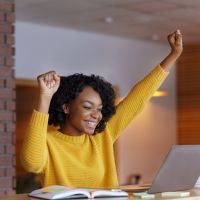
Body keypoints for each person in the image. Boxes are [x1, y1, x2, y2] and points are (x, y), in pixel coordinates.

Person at [21, 30, 183, 188]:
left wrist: (173, 55)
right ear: (66, 107)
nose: (96, 115)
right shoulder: (48, 142)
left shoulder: (102, 135)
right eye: (87, 107)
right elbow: (31, 164)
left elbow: (138, 98)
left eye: (99, 109)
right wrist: (45, 96)